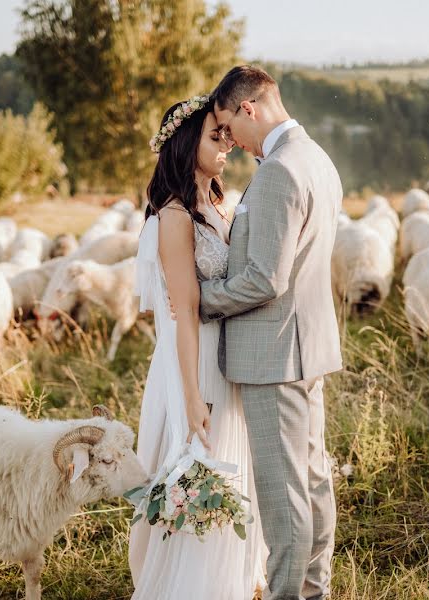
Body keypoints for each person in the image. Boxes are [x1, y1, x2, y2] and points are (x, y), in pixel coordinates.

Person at [199, 65, 343, 600]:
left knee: (284, 495)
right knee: (312, 481)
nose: (230, 143)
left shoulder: (281, 170)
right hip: (306, 347)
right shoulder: (318, 159)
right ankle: (312, 589)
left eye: (228, 128)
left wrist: (200, 300)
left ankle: (290, 595)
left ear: (248, 110)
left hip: (274, 353)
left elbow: (265, 278)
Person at [129, 93, 266, 599]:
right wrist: (190, 396)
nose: (227, 144)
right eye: (216, 136)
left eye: (227, 134)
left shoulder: (216, 204)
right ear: (187, 144)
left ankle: (230, 581)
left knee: (228, 469)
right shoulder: (174, 215)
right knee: (200, 470)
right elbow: (184, 310)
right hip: (196, 361)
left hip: (225, 357)